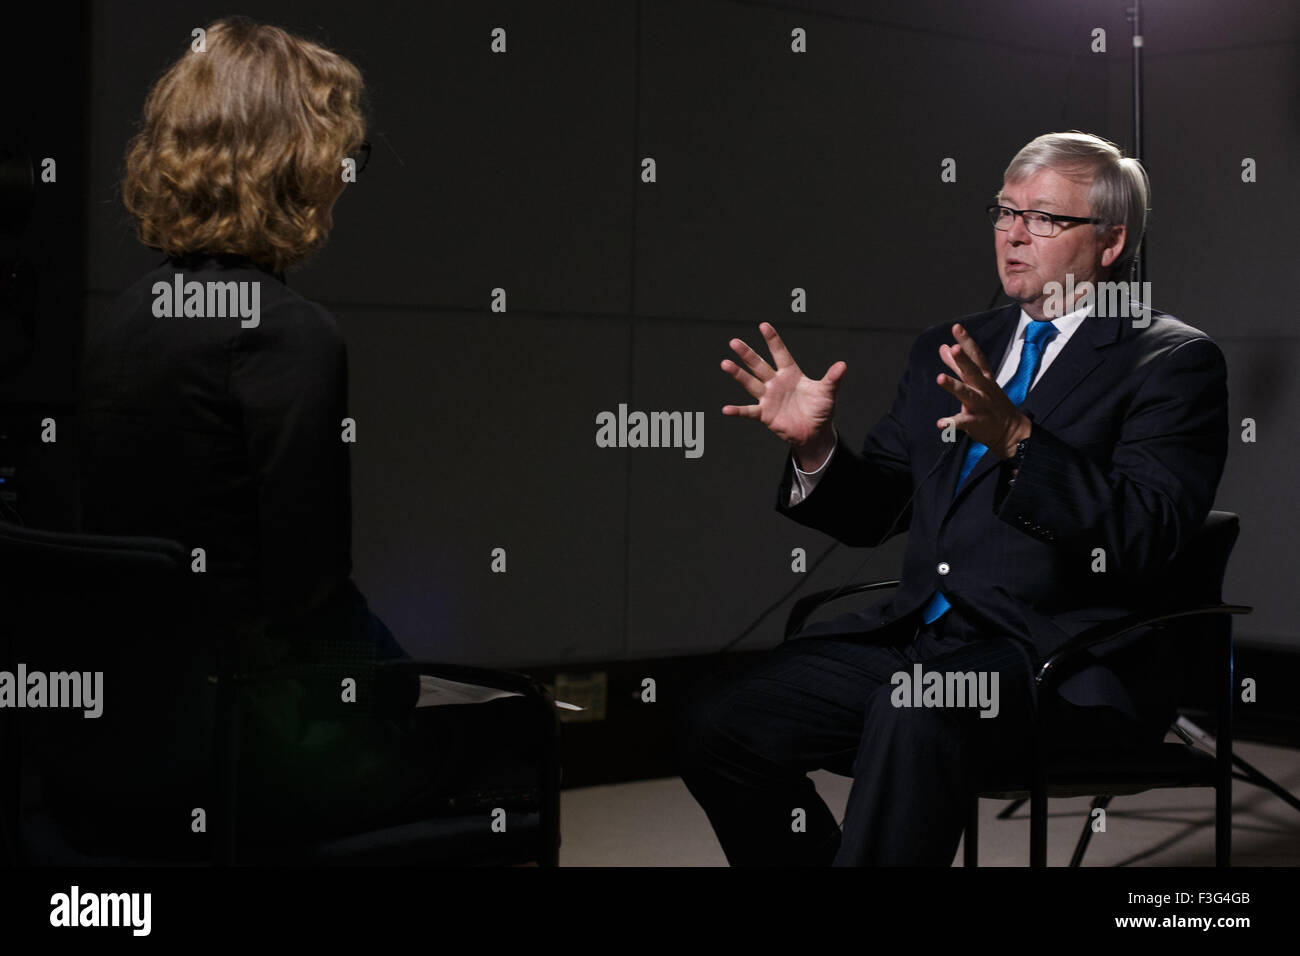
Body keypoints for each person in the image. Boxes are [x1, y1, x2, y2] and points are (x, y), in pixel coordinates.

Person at [673, 131, 1230, 866]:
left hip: (1056, 659)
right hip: (920, 635)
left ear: (1111, 241)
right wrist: (816, 450)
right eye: (1005, 212)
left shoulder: (1172, 360)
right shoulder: (951, 342)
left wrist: (1021, 442)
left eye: (1045, 219)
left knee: (917, 710)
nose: (1013, 235)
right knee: (718, 722)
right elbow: (880, 513)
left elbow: (1146, 534)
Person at [77, 17, 538, 854]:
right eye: (336, 151)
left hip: (121, 742)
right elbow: (308, 596)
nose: (344, 173)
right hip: (254, 746)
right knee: (512, 736)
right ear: (288, 161)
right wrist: (400, 684)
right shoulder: (287, 333)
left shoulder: (120, 322)